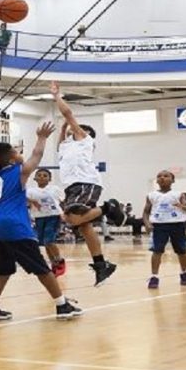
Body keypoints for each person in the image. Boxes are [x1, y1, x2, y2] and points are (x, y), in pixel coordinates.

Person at [0, 121, 83, 321]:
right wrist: (42, 137)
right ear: (11, 158)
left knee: (1, 270)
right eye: (16, 151)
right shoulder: (18, 171)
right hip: (12, 226)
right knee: (41, 268)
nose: (19, 153)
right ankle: (62, 305)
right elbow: (37, 155)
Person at [50, 81, 117, 287]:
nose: (74, 129)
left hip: (86, 182)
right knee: (81, 223)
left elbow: (68, 114)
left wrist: (56, 96)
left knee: (73, 219)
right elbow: (62, 136)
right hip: (72, 186)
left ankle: (109, 207)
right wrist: (63, 127)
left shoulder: (84, 140)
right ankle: (100, 264)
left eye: (77, 129)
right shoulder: (65, 146)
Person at [143, 170, 186, 289]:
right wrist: (147, 223)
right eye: (159, 176)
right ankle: (154, 276)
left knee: (182, 251)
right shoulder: (151, 195)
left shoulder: (179, 194)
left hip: (177, 225)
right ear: (156, 180)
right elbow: (146, 212)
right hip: (159, 226)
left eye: (166, 176)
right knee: (157, 251)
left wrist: (181, 206)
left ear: (173, 180)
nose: (162, 178)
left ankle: (184, 273)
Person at [26, 168, 66, 276]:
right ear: (35, 178)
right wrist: (32, 201)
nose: (42, 177)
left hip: (53, 216)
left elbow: (62, 202)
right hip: (39, 217)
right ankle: (54, 264)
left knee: (49, 240)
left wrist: (64, 214)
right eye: (39, 175)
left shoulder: (54, 189)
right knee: (45, 243)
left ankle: (60, 261)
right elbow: (22, 199)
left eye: (45, 175)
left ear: (50, 179)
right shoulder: (30, 191)